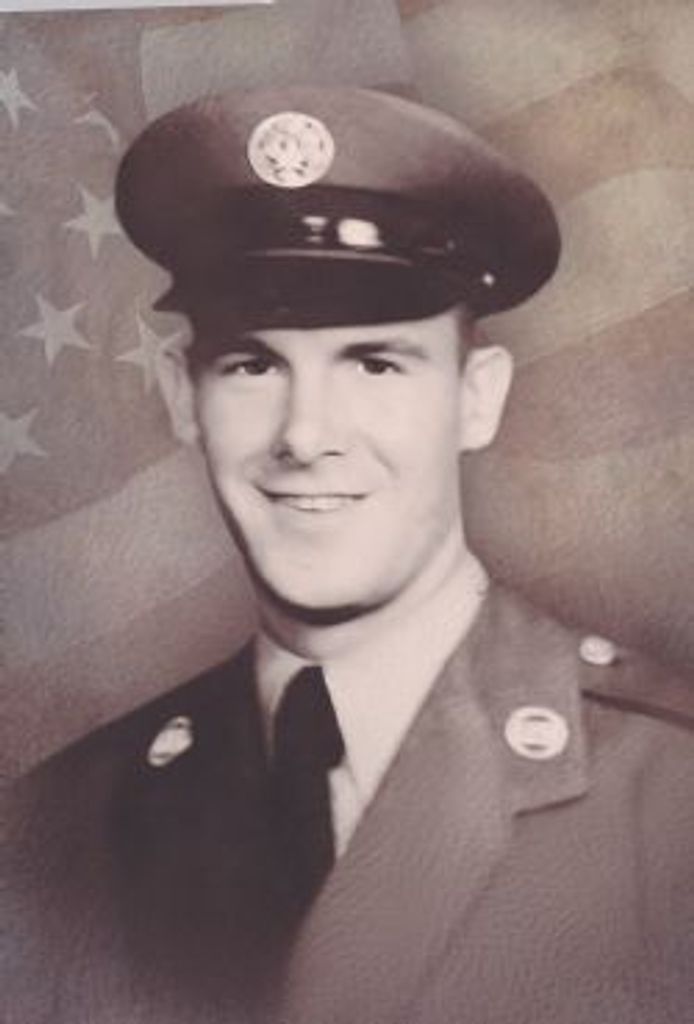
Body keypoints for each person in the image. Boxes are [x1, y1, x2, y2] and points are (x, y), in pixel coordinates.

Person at [6, 86, 693, 1024]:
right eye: (253, 365)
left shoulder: (669, 793)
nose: (306, 434)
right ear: (182, 396)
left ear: (477, 397)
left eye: (375, 363)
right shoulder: (56, 830)